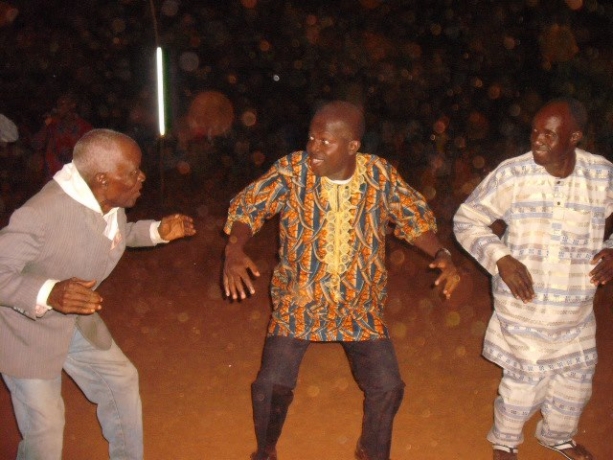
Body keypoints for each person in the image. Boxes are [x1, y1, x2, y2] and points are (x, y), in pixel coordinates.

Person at [223, 100, 460, 460]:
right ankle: (266, 451)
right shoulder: (291, 171)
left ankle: (371, 451)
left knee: (388, 387)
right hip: (300, 301)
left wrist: (441, 252)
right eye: (311, 138)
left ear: (352, 146)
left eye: (325, 142)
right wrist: (234, 248)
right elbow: (249, 207)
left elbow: (413, 219)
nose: (313, 148)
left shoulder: (379, 175)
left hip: (359, 305)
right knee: (270, 387)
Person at [0, 128, 196, 459]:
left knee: (121, 382)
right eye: (133, 172)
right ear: (102, 179)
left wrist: (156, 232)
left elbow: (114, 233)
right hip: (27, 334)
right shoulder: (41, 214)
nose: (142, 178)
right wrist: (49, 292)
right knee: (45, 431)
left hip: (76, 323)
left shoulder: (105, 199)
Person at [453, 98, 612, 460]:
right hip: (524, 302)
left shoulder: (601, 175)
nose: (537, 140)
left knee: (575, 383)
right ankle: (506, 442)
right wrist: (501, 258)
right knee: (523, 382)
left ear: (574, 138)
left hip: (575, 307)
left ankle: (557, 437)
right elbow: (466, 220)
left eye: (549, 135)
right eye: (535, 132)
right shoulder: (514, 174)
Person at [31, 91, 93, 179]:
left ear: (72, 105)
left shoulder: (84, 128)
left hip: (73, 179)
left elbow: (89, 157)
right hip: (52, 180)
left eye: (62, 104)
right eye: (57, 105)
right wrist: (46, 124)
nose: (58, 108)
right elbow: (36, 144)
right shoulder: (52, 125)